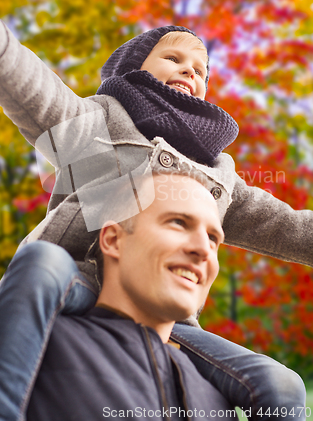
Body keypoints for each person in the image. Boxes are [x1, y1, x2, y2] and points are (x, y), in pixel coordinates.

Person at [0, 21, 307, 421]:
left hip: (169, 316)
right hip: (80, 279)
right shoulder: (98, 128)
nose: (190, 71)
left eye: (201, 69)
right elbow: (31, 84)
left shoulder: (218, 176)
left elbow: (287, 226)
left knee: (283, 385)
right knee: (40, 264)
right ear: (134, 69)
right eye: (174, 58)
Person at [24, 174, 296, 419]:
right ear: (113, 240)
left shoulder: (219, 401)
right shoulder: (36, 346)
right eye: (178, 222)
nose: (203, 249)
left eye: (213, 238)